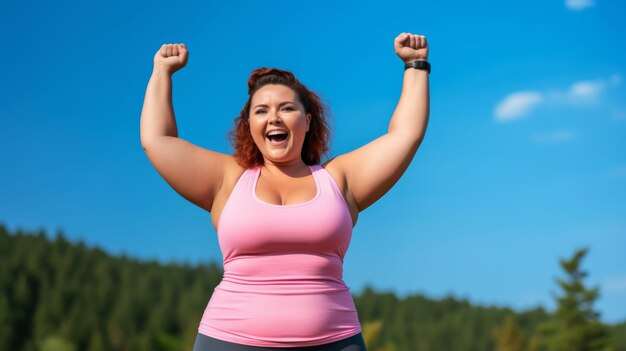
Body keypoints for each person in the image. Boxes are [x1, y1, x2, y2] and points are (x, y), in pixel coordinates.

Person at [140, 32, 430, 351]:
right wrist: (161, 72)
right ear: (249, 125)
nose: (273, 117)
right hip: (230, 340)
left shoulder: (339, 179)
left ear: (307, 121)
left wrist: (415, 66)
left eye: (286, 108)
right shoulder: (228, 179)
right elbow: (158, 140)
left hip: (334, 341)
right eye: (261, 110)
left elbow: (406, 135)